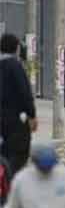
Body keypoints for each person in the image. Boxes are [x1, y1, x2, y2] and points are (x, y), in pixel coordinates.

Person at [0, 33, 36, 184]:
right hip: (15, 120)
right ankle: (11, 183)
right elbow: (25, 93)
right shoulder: (15, 66)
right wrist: (32, 115)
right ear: (16, 48)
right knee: (18, 153)